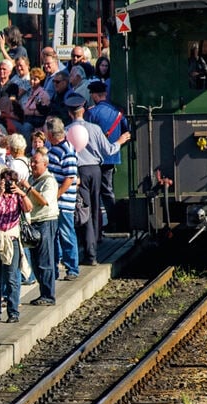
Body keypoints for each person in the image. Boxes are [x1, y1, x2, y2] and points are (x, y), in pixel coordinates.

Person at [66, 94, 130, 265]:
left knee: (83, 210)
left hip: (78, 172)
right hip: (95, 170)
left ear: (70, 113)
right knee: (94, 209)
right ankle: (94, 246)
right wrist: (120, 141)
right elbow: (109, 150)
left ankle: (89, 253)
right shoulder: (94, 129)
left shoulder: (67, 131)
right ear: (84, 110)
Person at [85, 80, 129, 231]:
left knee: (95, 193)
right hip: (112, 156)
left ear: (95, 96)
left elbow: (86, 134)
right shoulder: (117, 112)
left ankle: (104, 224)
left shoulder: (91, 113)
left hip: (94, 158)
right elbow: (127, 130)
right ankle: (113, 221)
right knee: (108, 190)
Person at [20, 148, 59, 305]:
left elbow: (44, 201)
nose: (32, 164)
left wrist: (28, 188)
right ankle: (43, 292)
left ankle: (49, 295)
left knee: (45, 259)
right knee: (35, 260)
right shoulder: (31, 178)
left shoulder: (49, 181)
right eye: (32, 161)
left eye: (36, 162)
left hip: (46, 221)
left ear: (45, 163)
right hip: (33, 222)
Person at [0, 169, 25, 323]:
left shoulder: (18, 196)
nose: (8, 184)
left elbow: (28, 208)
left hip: (12, 239)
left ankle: (13, 311)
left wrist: (21, 193)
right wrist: (0, 191)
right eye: (5, 180)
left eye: (11, 181)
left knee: (11, 277)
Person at [45, 117, 79, 282]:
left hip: (63, 202)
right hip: (55, 202)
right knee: (55, 235)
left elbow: (70, 177)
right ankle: (56, 267)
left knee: (66, 233)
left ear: (51, 133)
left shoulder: (67, 149)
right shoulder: (53, 149)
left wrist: (56, 195)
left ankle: (72, 267)